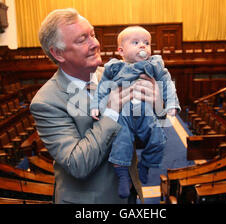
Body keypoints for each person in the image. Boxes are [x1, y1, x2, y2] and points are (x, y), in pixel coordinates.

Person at [30, 8, 162, 204]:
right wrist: (111, 112)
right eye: (82, 39)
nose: (95, 44)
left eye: (92, 34)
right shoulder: (46, 101)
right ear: (58, 53)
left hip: (130, 193)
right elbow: (78, 165)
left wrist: (153, 107)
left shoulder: (116, 74)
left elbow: (140, 138)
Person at [90, 26, 180, 198]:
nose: (143, 46)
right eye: (136, 42)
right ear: (121, 51)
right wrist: (97, 105)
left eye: (147, 43)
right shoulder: (114, 68)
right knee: (121, 141)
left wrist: (168, 103)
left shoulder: (154, 65)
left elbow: (167, 83)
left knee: (159, 139)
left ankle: (145, 164)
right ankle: (123, 175)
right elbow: (102, 88)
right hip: (124, 116)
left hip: (146, 114)